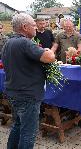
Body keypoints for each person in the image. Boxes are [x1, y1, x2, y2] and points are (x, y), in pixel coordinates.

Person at [1, 13, 55, 148]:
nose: (36, 28)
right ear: (25, 27)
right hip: (27, 95)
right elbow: (49, 57)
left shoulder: (8, 42)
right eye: (34, 25)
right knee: (28, 133)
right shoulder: (24, 42)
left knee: (17, 126)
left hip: (14, 93)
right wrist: (48, 50)